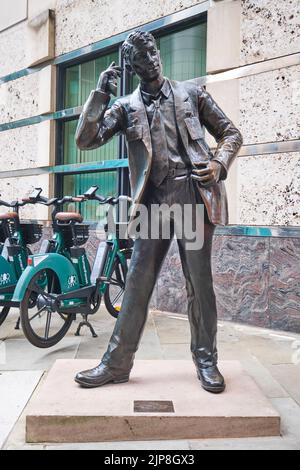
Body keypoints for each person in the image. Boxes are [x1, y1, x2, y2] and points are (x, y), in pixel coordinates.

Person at [74, 30, 243, 393]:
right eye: (142, 59)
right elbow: (85, 140)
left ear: (158, 52)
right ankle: (116, 364)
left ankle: (206, 360)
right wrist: (100, 94)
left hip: (193, 199)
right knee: (136, 283)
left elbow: (231, 134)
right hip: (152, 204)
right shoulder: (124, 107)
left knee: (199, 284)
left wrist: (218, 165)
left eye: (152, 53)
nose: (151, 60)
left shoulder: (191, 93)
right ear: (132, 67)